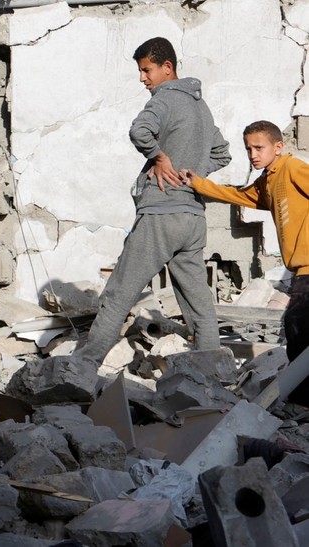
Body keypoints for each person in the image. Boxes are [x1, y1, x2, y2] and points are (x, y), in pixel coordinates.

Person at [70, 37, 231, 368]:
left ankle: (82, 369)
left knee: (119, 293)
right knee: (198, 302)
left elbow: (139, 131)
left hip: (161, 214)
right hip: (193, 219)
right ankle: (214, 372)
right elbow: (222, 153)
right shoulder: (201, 107)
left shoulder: (165, 100)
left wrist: (159, 157)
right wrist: (193, 174)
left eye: (147, 70)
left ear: (167, 67)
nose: (142, 78)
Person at [175, 120, 309, 404]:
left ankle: (301, 399)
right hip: (301, 270)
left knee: (297, 326)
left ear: (278, 147)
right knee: (297, 329)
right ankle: (301, 398)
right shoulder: (268, 180)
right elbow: (238, 196)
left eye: (259, 148)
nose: (253, 155)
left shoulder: (292, 168)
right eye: (249, 149)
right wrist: (198, 184)